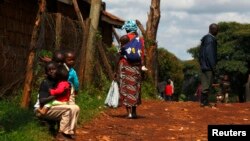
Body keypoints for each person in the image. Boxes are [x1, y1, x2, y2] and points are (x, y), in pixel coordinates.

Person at [34, 61, 80, 140]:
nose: (51, 71)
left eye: (54, 69)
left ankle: (69, 132)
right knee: (70, 109)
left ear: (58, 71)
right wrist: (56, 95)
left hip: (53, 107)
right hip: (42, 109)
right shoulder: (46, 83)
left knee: (76, 108)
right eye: (49, 70)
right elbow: (42, 101)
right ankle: (61, 134)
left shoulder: (61, 82)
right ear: (46, 73)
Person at [117, 20, 146, 119]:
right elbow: (143, 54)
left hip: (125, 65)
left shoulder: (124, 38)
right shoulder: (141, 40)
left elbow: (120, 52)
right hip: (137, 66)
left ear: (127, 29)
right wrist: (142, 66)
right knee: (135, 88)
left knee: (126, 87)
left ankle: (128, 112)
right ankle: (134, 112)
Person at [199, 23, 219, 107]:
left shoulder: (205, 38)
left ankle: (204, 102)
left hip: (204, 65)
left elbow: (200, 53)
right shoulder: (210, 39)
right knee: (207, 84)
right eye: (216, 29)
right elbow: (210, 54)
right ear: (212, 29)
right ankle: (204, 102)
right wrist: (213, 66)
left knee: (205, 83)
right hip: (208, 66)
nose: (217, 31)